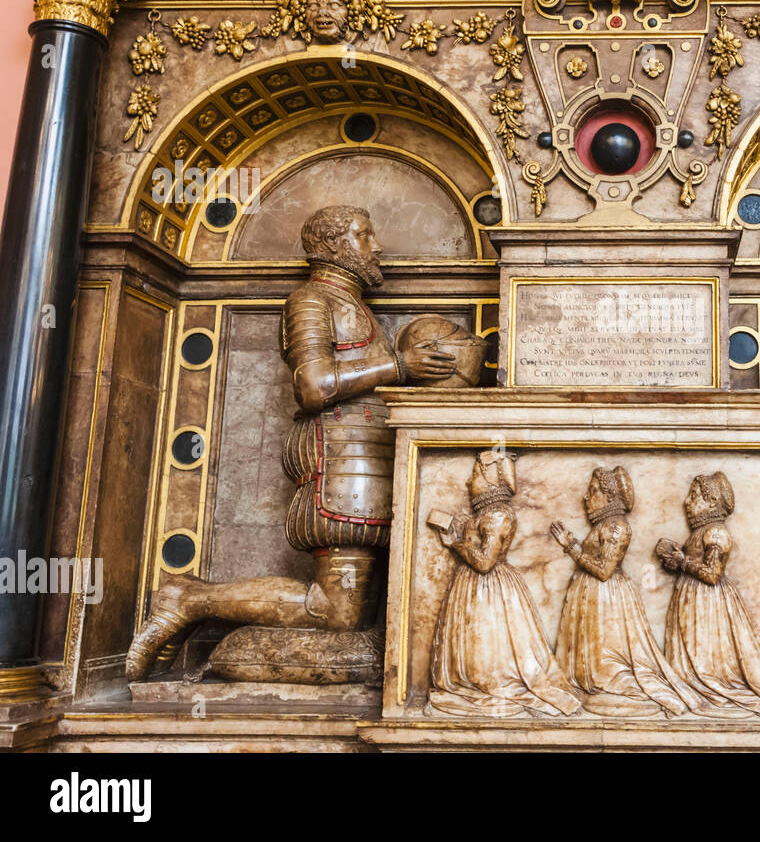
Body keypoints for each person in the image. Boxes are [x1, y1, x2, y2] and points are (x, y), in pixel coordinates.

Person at [127, 205, 455, 680]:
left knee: (353, 618)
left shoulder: (354, 305)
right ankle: (191, 598)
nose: (377, 247)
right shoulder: (311, 300)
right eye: (365, 236)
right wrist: (400, 366)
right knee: (335, 613)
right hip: (344, 463)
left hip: (371, 461)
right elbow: (314, 386)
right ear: (331, 246)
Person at [426, 452, 583, 718]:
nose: (467, 482)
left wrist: (456, 543)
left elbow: (485, 562)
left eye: (474, 475)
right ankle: (476, 685)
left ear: (489, 479)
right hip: (475, 585)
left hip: (489, 589)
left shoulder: (498, 514)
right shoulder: (488, 513)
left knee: (490, 645)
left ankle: (491, 687)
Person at [550, 467, 702, 717]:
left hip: (607, 597)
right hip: (592, 594)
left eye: (593, 491)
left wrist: (572, 547)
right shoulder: (603, 525)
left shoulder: (617, 527)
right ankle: (591, 688)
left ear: (610, 497)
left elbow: (604, 570)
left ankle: (612, 686)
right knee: (590, 659)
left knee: (609, 663)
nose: (586, 498)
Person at [656, 471, 760, 718]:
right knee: (688, 653)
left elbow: (712, 574)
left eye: (694, 496)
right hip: (691, 597)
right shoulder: (702, 531)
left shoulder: (716, 533)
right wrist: (672, 557)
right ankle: (693, 684)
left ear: (712, 502)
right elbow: (691, 561)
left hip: (708, 601)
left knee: (705, 656)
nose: (686, 502)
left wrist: (682, 561)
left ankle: (709, 686)